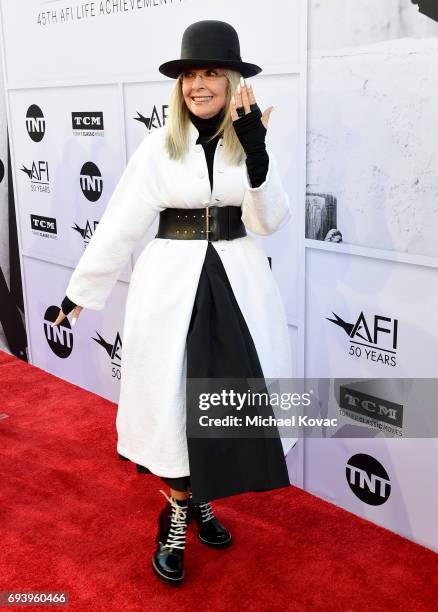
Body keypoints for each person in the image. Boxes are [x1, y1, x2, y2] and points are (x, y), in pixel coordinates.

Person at [53, 20, 293, 585]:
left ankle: (201, 499)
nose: (198, 84)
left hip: (236, 288)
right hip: (170, 291)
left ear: (232, 81)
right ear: (179, 85)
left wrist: (257, 160)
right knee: (170, 407)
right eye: (190, 74)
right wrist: (80, 293)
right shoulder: (158, 145)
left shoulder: (251, 139)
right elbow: (120, 224)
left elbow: (269, 221)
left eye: (211, 72)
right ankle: (180, 513)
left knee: (223, 407)